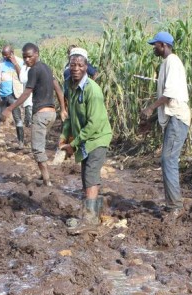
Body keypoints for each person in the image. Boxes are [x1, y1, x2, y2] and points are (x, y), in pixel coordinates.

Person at [139, 31, 191, 221]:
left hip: (178, 118)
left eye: (155, 45)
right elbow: (168, 102)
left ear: (163, 45)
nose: (154, 48)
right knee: (167, 159)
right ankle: (172, 205)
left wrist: (150, 109)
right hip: (173, 117)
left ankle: (175, 207)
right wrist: (151, 123)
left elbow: (169, 96)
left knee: (168, 159)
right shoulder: (166, 63)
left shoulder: (173, 62)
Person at [59, 49, 112, 234]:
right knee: (87, 177)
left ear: (86, 67)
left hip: (97, 137)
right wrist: (63, 138)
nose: (76, 68)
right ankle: (94, 214)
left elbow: (94, 124)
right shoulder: (69, 86)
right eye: (73, 65)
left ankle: (89, 221)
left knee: (90, 175)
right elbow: (71, 118)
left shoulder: (92, 90)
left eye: (80, 65)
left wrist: (73, 145)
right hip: (85, 139)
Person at [1, 43, 67, 186]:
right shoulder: (46, 68)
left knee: (37, 149)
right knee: (40, 145)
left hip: (41, 115)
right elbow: (59, 90)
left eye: (29, 56)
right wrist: (62, 109)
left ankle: (47, 180)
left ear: (37, 54)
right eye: (24, 57)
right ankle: (43, 176)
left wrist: (9, 108)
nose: (26, 60)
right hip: (51, 115)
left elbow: (26, 93)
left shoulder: (34, 70)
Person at [0, 45, 24, 149]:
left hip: (15, 94)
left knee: (18, 119)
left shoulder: (19, 61)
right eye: (4, 55)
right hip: (1, 94)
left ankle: (21, 142)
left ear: (12, 53)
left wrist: (15, 63)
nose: (5, 57)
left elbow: (22, 77)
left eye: (7, 55)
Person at [19, 61, 33, 129]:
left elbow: (23, 79)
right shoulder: (24, 68)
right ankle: (28, 122)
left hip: (31, 91)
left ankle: (29, 123)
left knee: (29, 106)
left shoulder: (31, 69)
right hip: (27, 90)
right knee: (28, 106)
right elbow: (22, 79)